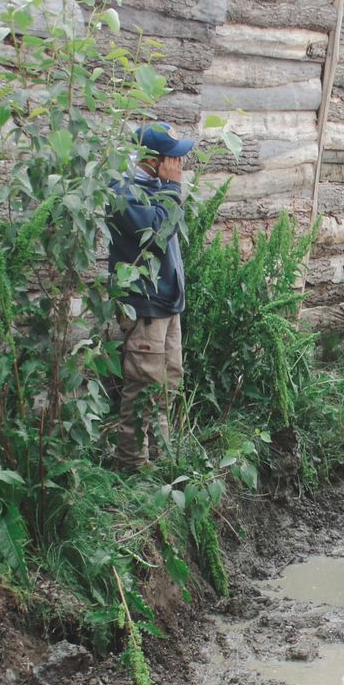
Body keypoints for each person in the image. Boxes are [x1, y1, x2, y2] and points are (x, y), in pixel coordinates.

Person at [107, 122, 194, 468]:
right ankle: (132, 464)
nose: (179, 164)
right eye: (172, 158)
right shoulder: (125, 192)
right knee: (143, 386)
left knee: (168, 383)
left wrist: (168, 187)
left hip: (167, 304)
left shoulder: (157, 187)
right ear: (151, 158)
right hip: (145, 305)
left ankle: (160, 458)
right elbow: (156, 233)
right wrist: (172, 188)